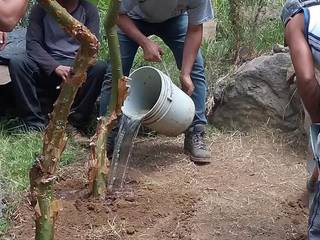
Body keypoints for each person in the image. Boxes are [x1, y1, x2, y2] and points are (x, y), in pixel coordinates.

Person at [108, 0, 214, 164]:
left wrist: (185, 73)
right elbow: (116, 14)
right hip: (131, 17)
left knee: (195, 68)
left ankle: (195, 131)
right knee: (115, 73)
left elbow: (194, 29)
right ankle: (109, 133)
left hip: (174, 20)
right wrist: (145, 42)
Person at [8, 0, 110, 133]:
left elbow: (92, 46)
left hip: (77, 62)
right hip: (47, 62)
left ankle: (75, 123)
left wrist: (78, 67)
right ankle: (34, 123)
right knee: (18, 63)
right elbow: (33, 44)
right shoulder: (41, 8)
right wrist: (54, 66)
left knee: (100, 68)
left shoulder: (88, 9)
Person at [281, 0, 320, 238]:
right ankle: (314, 180)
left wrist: (318, 126)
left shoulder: (294, 18)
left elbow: (306, 80)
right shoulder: (315, 17)